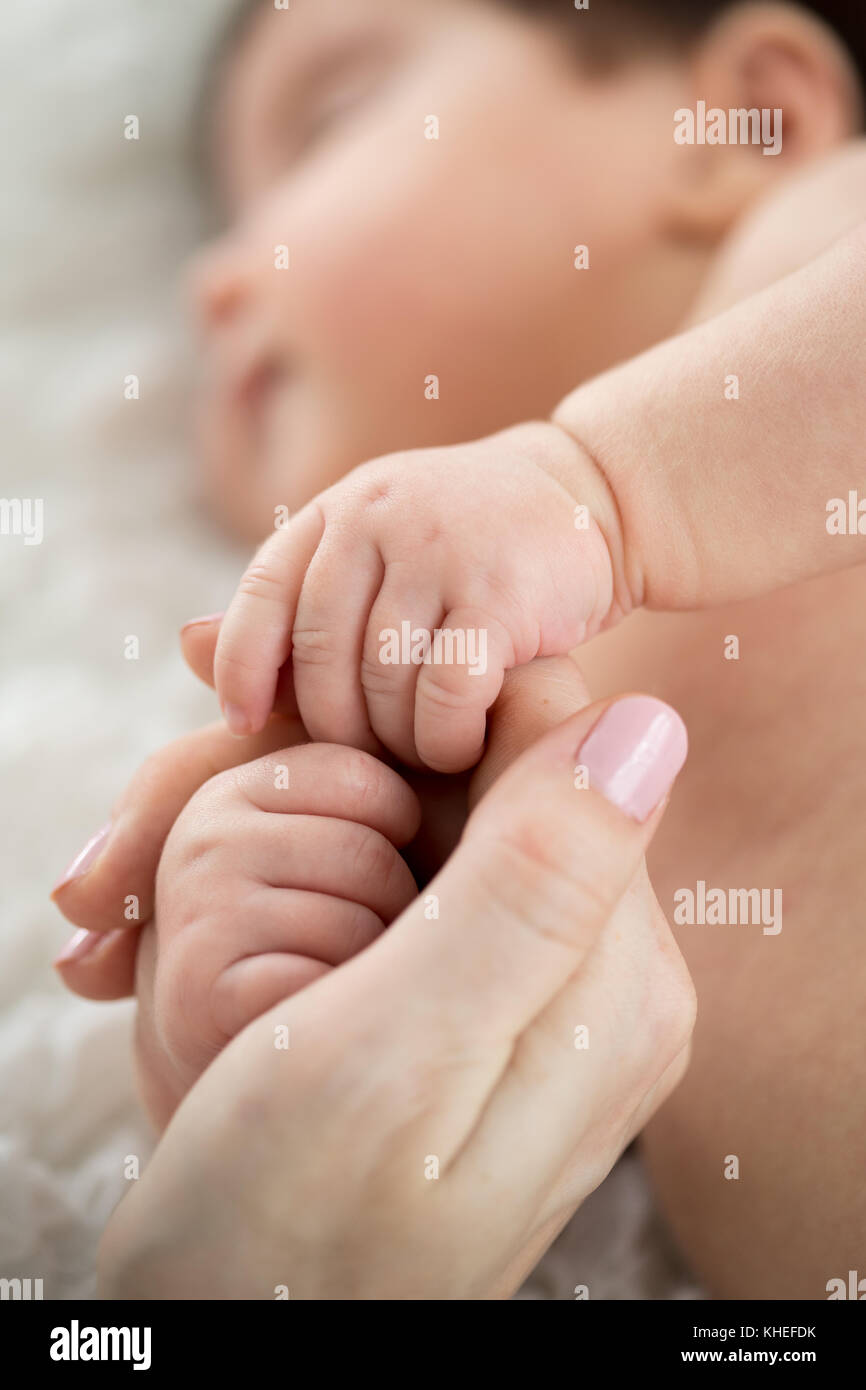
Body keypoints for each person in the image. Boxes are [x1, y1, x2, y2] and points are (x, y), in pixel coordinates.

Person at [54, 0, 866, 1296]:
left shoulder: (811, 238)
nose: (214, 284)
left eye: (326, 123)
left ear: (741, 124)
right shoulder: (485, 715)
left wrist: (599, 480)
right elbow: (492, 1125)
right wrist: (272, 1007)